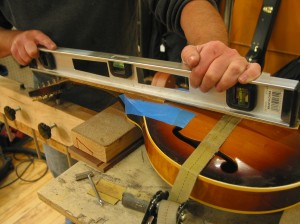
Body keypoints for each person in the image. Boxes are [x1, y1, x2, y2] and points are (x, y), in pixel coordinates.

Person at [0, 0, 261, 223]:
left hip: (128, 99)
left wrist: (211, 48)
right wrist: (12, 40)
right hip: (53, 101)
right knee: (73, 197)